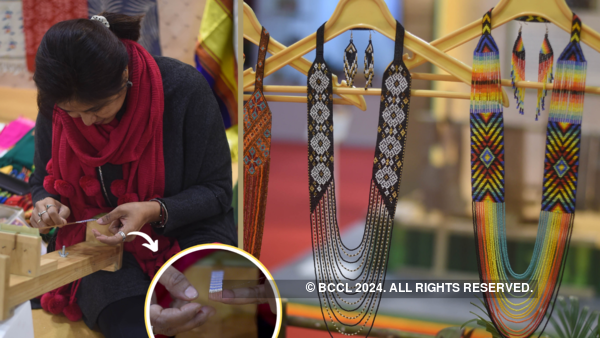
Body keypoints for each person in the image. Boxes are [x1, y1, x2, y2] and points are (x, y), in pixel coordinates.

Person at [28, 12, 237, 337]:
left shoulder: (183, 90)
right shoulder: (57, 105)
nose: (83, 123)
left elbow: (218, 192)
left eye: (97, 109)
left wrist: (153, 209)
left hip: (189, 228)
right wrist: (46, 204)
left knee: (206, 312)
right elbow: (41, 181)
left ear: (124, 74)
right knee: (130, 324)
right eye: (72, 113)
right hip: (102, 242)